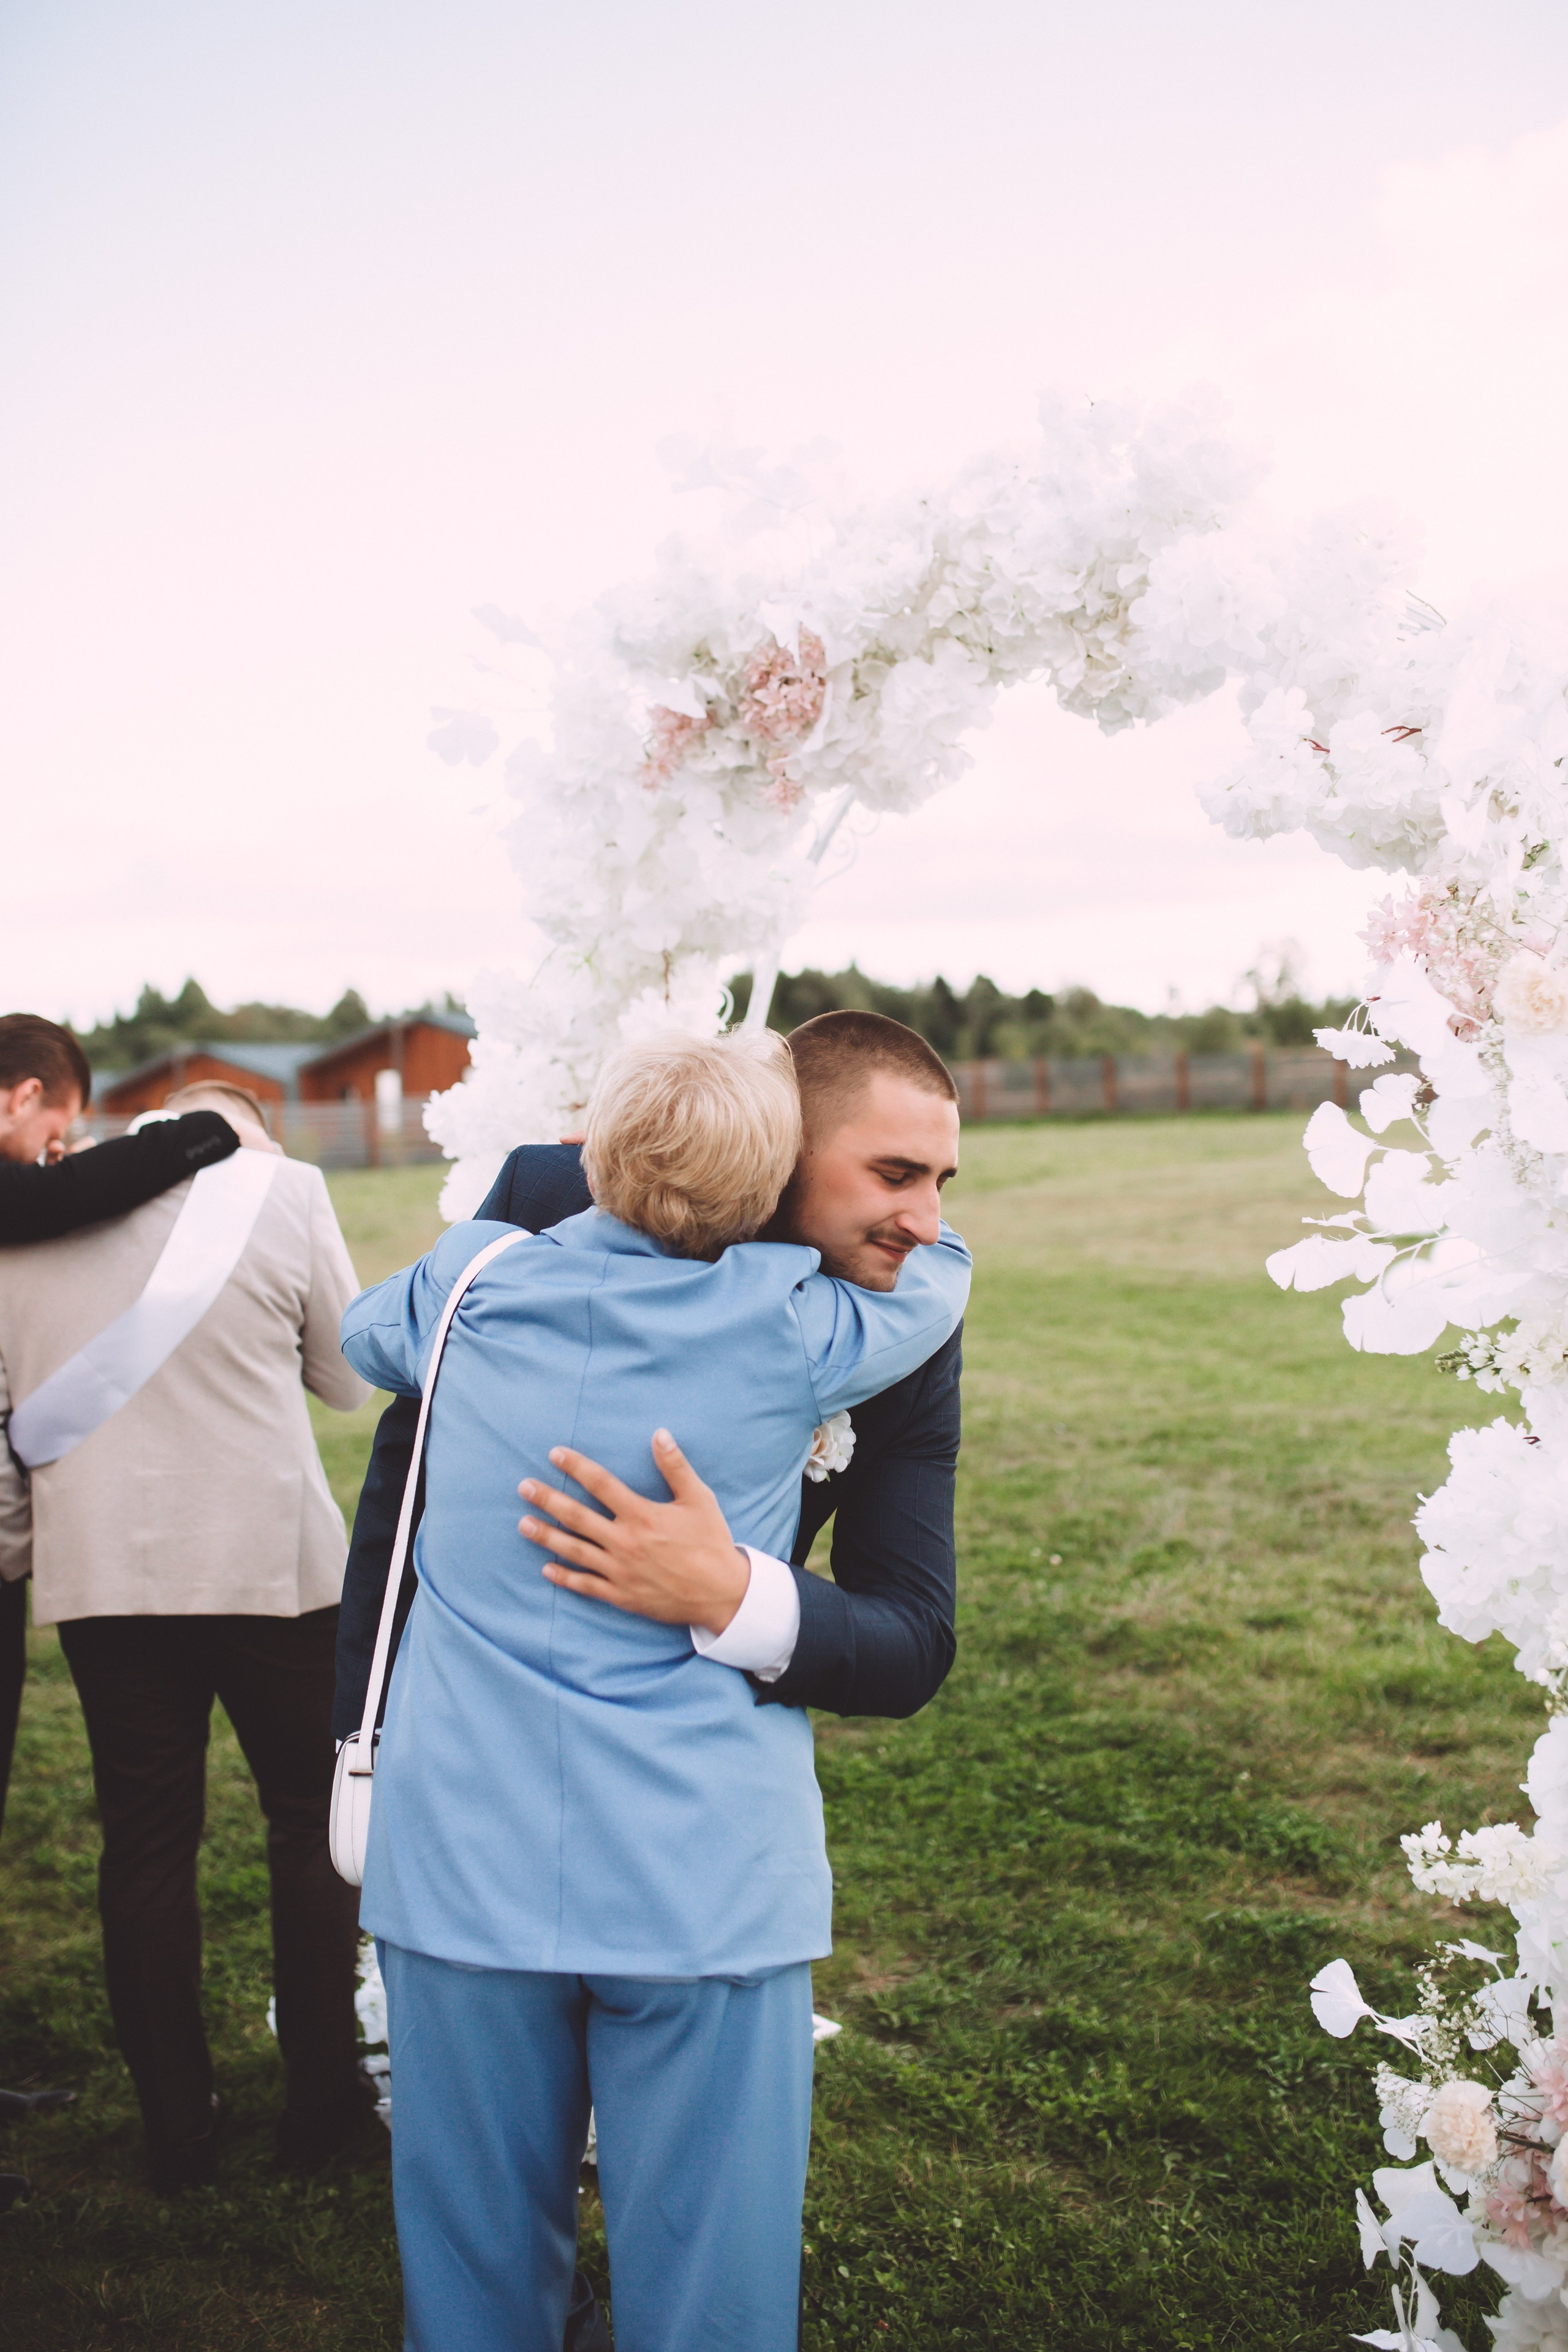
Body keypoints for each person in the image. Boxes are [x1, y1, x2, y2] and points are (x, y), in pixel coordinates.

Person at [339, 1027, 970, 2352]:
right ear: (782, 1159)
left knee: (468, 2290)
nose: (924, 1222)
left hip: (461, 1858)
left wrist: (733, 1592)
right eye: (898, 1174)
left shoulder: (473, 1276)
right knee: (712, 2301)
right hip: (697, 1875)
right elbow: (930, 1294)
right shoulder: (808, 1326)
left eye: (943, 1190)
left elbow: (368, 1336)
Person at [0, 1079, 371, 2192]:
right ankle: (319, 2099)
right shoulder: (290, 1190)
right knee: (311, 1824)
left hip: (105, 1573)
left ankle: (178, 2126)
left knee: (147, 1843)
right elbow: (349, 1378)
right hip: (272, 1565)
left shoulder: (26, 1217)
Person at [0, 1014, 239, 2212]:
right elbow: (58, 1199)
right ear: (19, 1099)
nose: (61, 1150)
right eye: (59, 1125)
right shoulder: (18, 1193)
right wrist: (200, 1132)